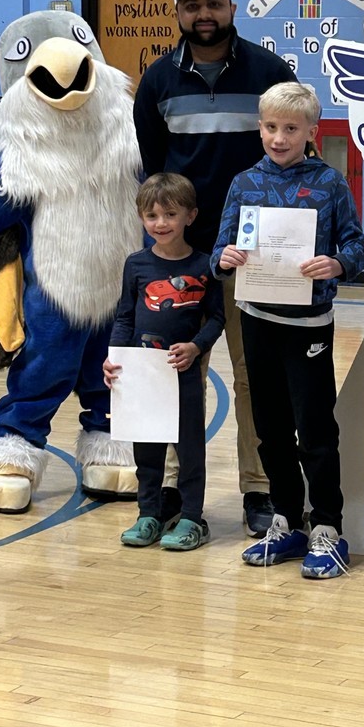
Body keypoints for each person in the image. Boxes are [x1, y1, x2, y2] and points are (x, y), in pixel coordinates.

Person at [133, 0, 297, 537]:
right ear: (178, 13)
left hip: (259, 258)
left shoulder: (271, 73)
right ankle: (174, 484)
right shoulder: (157, 80)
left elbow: (294, 154)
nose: (204, 14)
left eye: (214, 3)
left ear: (232, 6)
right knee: (181, 372)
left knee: (255, 377)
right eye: (192, 5)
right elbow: (153, 174)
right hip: (186, 259)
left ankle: (259, 488)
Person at [211, 83, 364, 578]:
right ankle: (287, 518)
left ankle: (327, 527)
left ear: (310, 132)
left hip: (309, 326)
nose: (279, 138)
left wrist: (336, 263)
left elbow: (356, 248)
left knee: (315, 430)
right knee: (270, 430)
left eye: (290, 129)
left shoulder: (330, 183)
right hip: (257, 320)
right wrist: (227, 258)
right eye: (271, 127)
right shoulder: (243, 184)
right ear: (260, 127)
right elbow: (219, 250)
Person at [103, 173, 225, 551]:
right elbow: (125, 316)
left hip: (181, 373)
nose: (160, 224)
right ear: (141, 217)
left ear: (190, 216)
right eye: (151, 216)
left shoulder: (207, 266)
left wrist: (196, 347)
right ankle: (149, 514)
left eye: (170, 214)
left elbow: (218, 318)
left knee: (189, 448)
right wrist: (114, 357)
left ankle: (191, 517)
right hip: (141, 373)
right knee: (148, 450)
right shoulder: (135, 265)